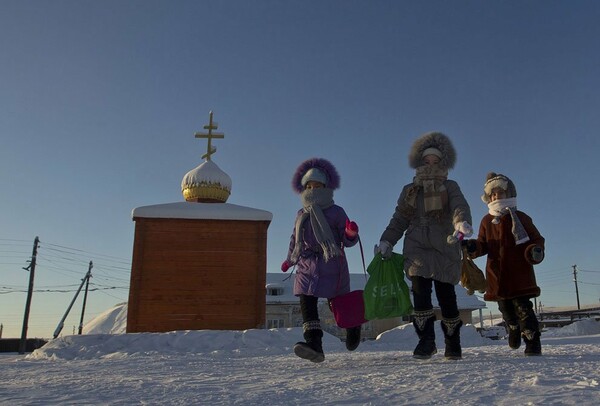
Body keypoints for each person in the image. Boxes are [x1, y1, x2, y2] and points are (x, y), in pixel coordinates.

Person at [375, 132, 473, 360]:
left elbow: (459, 205)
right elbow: (399, 217)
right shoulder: (411, 190)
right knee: (420, 295)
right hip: (417, 246)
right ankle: (426, 341)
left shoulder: (449, 186)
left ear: (443, 164)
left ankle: (452, 343)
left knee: (447, 296)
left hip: (444, 245)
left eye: (435, 162)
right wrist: (387, 240)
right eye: (426, 162)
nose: (430, 166)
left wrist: (461, 222)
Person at [281, 157, 360, 363]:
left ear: (326, 187)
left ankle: (353, 327)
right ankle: (314, 344)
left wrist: (350, 233)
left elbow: (346, 241)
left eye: (317, 185)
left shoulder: (336, 211)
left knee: (340, 305)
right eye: (309, 185)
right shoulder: (301, 213)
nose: (313, 189)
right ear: (303, 188)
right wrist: (289, 260)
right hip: (306, 265)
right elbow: (294, 238)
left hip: (332, 263)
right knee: (307, 304)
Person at [463, 172, 545, 355]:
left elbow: (536, 239)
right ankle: (513, 327)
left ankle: (532, 342)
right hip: (496, 275)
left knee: (523, 309)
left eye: (500, 192)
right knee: (505, 309)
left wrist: (535, 250)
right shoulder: (486, 220)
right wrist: (471, 246)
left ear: (509, 194)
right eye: (492, 193)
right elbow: (482, 244)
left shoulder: (521, 218)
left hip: (520, 274)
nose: (496, 196)